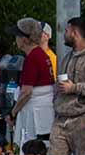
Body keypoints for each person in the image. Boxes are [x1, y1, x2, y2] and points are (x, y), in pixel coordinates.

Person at [50, 17, 85, 155]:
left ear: (75, 32)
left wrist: (75, 88)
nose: (64, 34)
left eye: (67, 30)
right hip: (61, 118)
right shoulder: (67, 57)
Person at [12, 17, 57, 147]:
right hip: (44, 109)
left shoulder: (32, 58)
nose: (15, 39)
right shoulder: (41, 55)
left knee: (33, 147)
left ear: (25, 39)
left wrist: (13, 112)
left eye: (17, 36)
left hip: (36, 111)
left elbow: (26, 92)